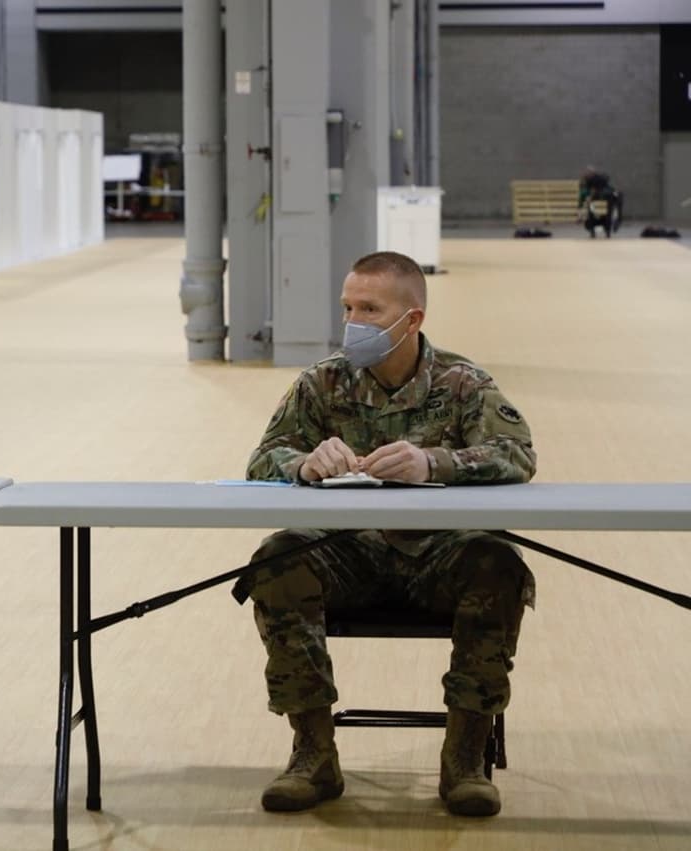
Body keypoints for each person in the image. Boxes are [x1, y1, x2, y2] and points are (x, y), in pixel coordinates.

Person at [238, 251, 535, 818]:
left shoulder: (462, 382)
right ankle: (313, 755)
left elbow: (516, 454)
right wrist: (302, 464)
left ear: (412, 319)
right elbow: (263, 456)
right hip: (347, 553)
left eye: (370, 308)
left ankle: (466, 758)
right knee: (276, 560)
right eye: (348, 306)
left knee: (499, 563)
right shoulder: (323, 382)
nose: (354, 321)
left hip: (440, 556)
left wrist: (435, 462)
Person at [577, 166, 622, 237]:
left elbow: (595, 189)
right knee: (594, 213)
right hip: (598, 199)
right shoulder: (587, 183)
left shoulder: (597, 180)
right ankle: (599, 231)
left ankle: (606, 230)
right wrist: (580, 214)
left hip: (604, 198)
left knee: (607, 212)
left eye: (589, 173)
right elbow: (583, 196)